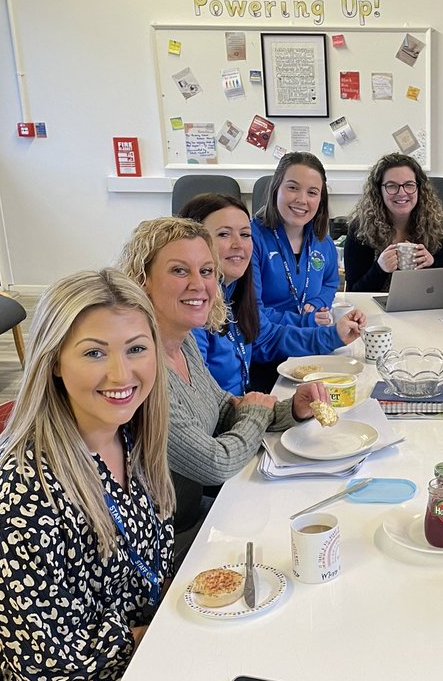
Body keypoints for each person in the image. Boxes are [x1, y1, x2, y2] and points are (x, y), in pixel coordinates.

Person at [0, 269, 174, 681]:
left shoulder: (127, 436)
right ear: (53, 361)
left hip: (129, 660)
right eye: (95, 353)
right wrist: (141, 634)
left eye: (136, 349)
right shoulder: (22, 488)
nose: (122, 375)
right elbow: (44, 662)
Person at [118, 218, 327, 557]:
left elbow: (224, 410)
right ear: (142, 280)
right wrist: (257, 413)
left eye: (205, 271)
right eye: (179, 271)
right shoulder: (143, 369)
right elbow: (215, 464)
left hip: (194, 514)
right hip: (167, 543)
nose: (199, 285)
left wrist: (291, 409)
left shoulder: (180, 343)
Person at [179, 194, 365, 395]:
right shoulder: (192, 311)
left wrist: (334, 335)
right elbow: (202, 402)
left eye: (245, 234)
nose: (238, 244)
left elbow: (267, 339)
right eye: (224, 234)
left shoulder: (234, 294)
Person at [250, 152, 339, 325]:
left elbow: (331, 282)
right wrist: (303, 321)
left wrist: (318, 303)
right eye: (293, 188)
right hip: (267, 342)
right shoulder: (251, 239)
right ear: (276, 189)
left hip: (307, 337)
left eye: (312, 192)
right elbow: (253, 312)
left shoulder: (323, 242)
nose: (302, 200)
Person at [343, 153, 443, 292]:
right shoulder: (360, 231)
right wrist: (379, 268)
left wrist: (431, 267)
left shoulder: (436, 229)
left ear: (419, 188)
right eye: (392, 186)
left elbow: (439, 293)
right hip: (373, 310)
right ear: (379, 191)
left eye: (409, 185)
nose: (402, 193)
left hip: (419, 309)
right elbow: (353, 292)